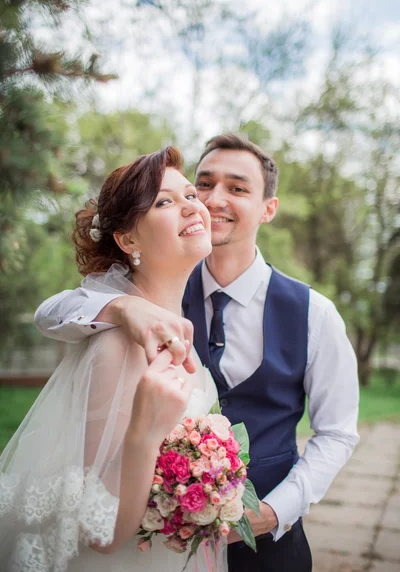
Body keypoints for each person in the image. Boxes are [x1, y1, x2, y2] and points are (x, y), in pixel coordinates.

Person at [34, 134, 360, 572]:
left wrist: (276, 511)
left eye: (238, 188)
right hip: (153, 548)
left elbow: (337, 433)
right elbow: (53, 312)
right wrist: (121, 306)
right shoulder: (159, 283)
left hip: (271, 548)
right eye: (203, 183)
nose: (213, 199)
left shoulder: (314, 314)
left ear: (268, 209)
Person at [0, 147, 228, 572]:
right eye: (164, 201)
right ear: (127, 240)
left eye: (189, 195)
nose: (190, 206)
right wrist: (144, 433)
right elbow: (97, 530)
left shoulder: (177, 329)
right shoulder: (117, 346)